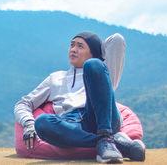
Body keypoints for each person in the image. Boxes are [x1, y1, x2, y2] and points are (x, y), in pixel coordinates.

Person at [14, 32, 145, 164]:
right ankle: (113, 142)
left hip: (104, 117)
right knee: (41, 122)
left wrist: (98, 52)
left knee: (92, 64)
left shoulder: (103, 70)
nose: (73, 49)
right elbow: (23, 103)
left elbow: (116, 40)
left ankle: (105, 136)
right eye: (72, 45)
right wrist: (29, 124)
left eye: (80, 46)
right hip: (74, 125)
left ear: (93, 52)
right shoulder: (55, 78)